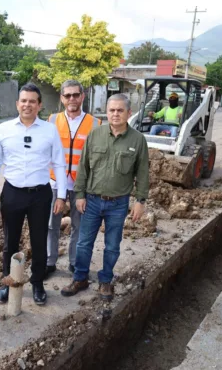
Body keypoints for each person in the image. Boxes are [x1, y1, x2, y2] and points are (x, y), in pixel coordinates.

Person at [0, 83, 67, 306]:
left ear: (39, 105)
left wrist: (61, 195)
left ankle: (37, 283)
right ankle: (7, 283)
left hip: (41, 194)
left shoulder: (49, 130)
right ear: (17, 104)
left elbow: (59, 162)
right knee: (10, 241)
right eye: (23, 100)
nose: (27, 105)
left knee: (39, 240)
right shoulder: (4, 129)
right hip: (12, 193)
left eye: (32, 101)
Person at [61, 94, 149, 301]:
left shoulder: (137, 140)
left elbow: (143, 172)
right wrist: (80, 195)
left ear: (128, 113)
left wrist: (140, 200)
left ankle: (105, 281)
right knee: (84, 243)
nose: (115, 114)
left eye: (120, 110)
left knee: (112, 245)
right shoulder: (95, 135)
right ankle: (80, 278)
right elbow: (83, 167)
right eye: (112, 110)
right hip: (91, 200)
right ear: (107, 112)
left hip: (118, 204)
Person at [45, 80, 102, 278]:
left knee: (79, 227)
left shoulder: (95, 124)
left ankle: (74, 262)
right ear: (62, 98)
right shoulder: (51, 120)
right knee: (51, 225)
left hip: (81, 186)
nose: (72, 99)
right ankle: (49, 261)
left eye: (75, 95)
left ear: (82, 96)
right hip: (54, 183)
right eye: (67, 95)